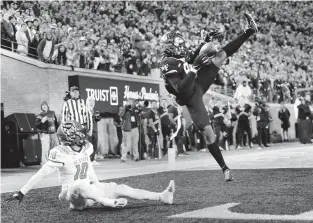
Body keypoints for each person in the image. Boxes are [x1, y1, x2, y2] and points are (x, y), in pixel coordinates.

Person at [159, 12, 259, 181]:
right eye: (179, 44)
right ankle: (225, 168)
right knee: (208, 132)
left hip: (196, 82)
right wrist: (194, 68)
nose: (182, 47)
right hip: (190, 96)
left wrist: (204, 42)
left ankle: (250, 31)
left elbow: (190, 58)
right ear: (172, 46)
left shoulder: (176, 57)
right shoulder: (166, 63)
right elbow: (182, 90)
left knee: (219, 56)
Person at [5, 121, 175, 210]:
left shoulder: (86, 148)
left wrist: (98, 183)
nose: (81, 132)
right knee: (79, 184)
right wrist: (22, 192)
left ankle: (161, 197)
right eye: (78, 130)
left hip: (90, 192)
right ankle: (106, 202)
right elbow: (41, 174)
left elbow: (88, 166)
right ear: (70, 136)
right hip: (72, 195)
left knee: (121, 188)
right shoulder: (61, 153)